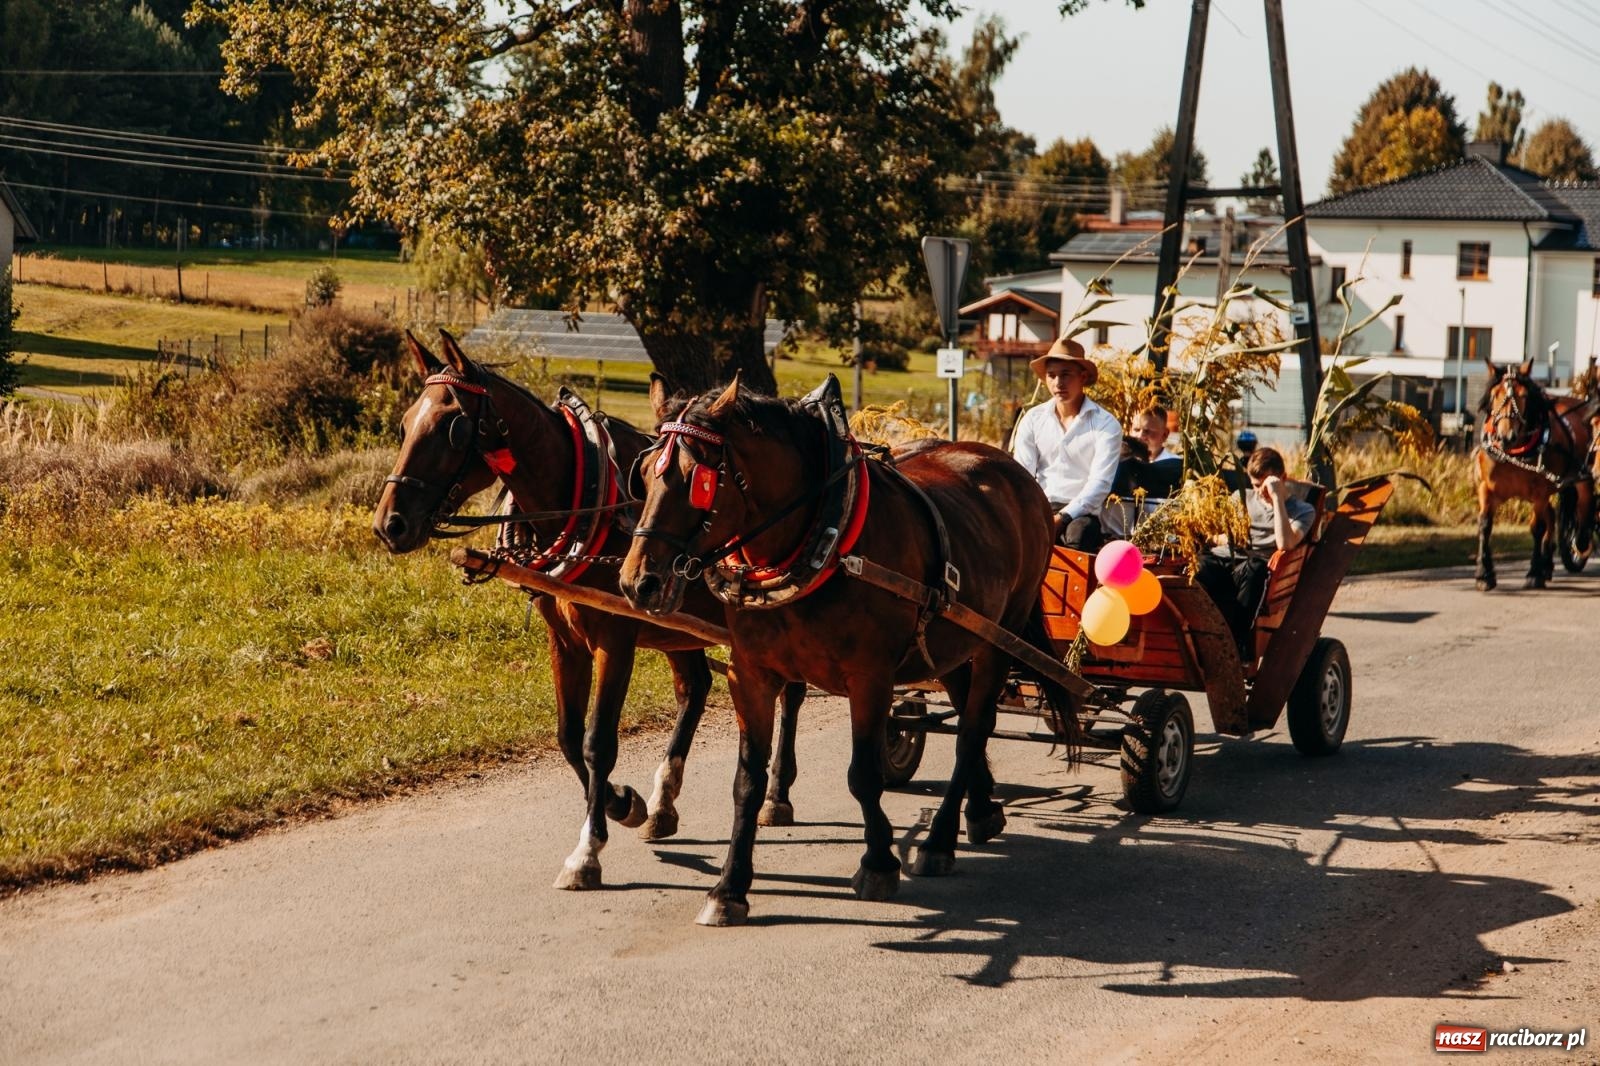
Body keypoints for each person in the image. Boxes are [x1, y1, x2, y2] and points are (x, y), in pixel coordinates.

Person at [1195, 447, 1316, 657]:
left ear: (1282, 478)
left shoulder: (1302, 510)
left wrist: (1277, 499)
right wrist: (1224, 538)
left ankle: (1235, 645)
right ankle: (1197, 635)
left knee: (1256, 568)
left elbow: (1285, 544)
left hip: (1256, 567)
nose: (1260, 492)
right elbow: (1215, 536)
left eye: (1265, 485)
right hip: (1227, 557)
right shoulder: (1241, 497)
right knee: (1196, 566)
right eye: (1255, 485)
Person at [1010, 336, 1122, 551]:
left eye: (1066, 375)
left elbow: (1099, 484)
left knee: (1079, 534)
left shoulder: (1106, 424)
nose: (1058, 383)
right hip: (1040, 505)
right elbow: (1022, 474)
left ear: (1083, 377)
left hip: (1081, 511)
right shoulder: (1033, 418)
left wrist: (1062, 517)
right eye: (1051, 376)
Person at [1130, 405, 1183, 497]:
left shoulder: (1178, 467)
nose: (1140, 436)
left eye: (1147, 431)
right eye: (1136, 430)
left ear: (1164, 435)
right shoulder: (1119, 463)